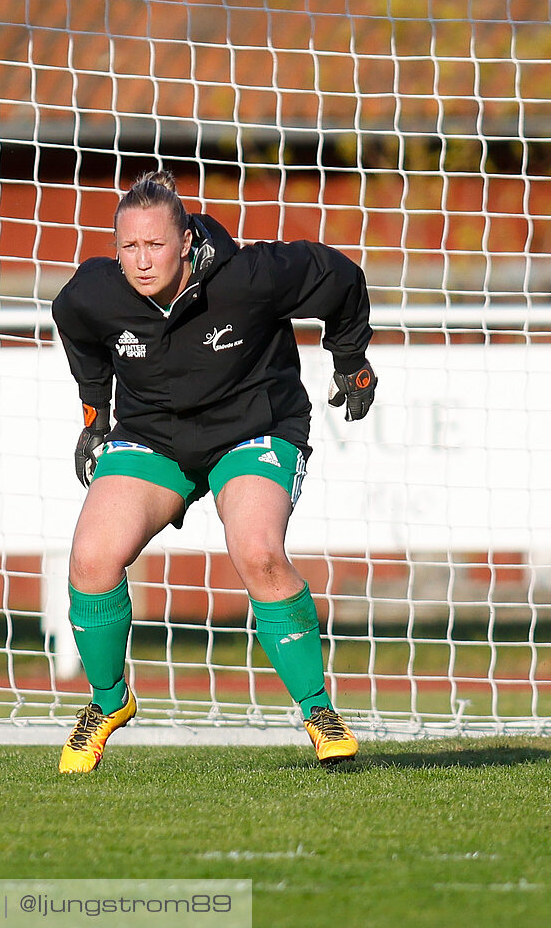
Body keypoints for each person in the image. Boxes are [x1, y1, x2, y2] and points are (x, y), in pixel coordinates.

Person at [50, 170, 377, 773]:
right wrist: (96, 414)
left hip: (256, 425)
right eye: (129, 247)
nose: (142, 261)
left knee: (258, 551)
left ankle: (318, 711)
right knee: (91, 558)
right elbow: (77, 330)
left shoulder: (250, 275)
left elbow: (342, 278)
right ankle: (107, 703)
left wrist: (351, 360)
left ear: (185, 240)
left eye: (155, 245)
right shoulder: (93, 292)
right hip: (154, 436)